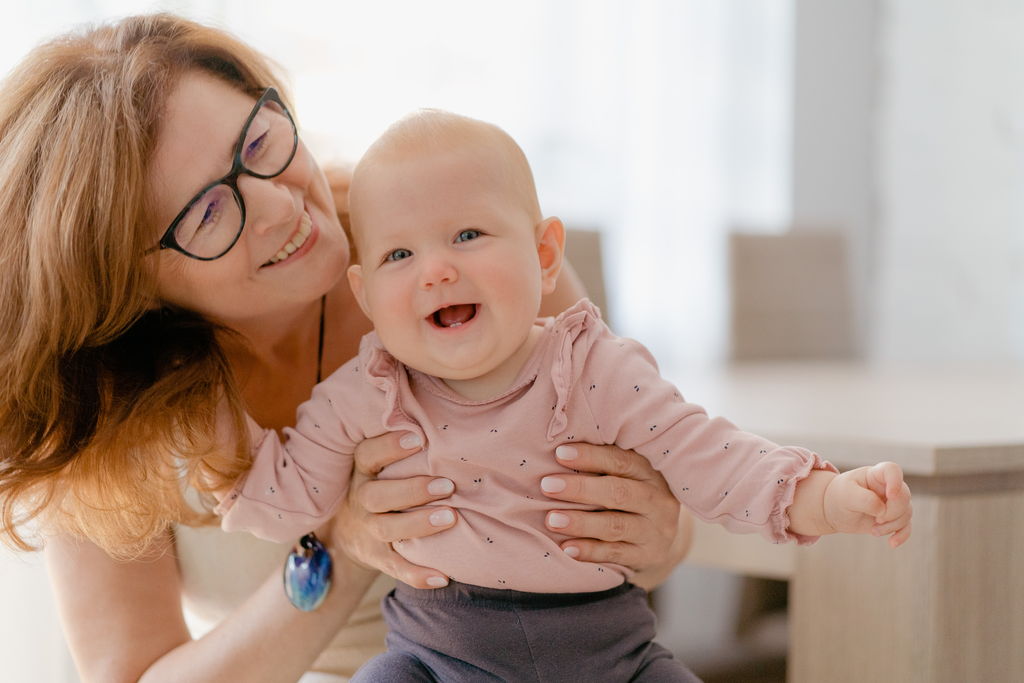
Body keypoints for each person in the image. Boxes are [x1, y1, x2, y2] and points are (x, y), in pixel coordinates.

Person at [0, 14, 695, 682]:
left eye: (260, 142)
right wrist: (345, 546)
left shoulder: (447, 238)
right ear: (127, 285)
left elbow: (662, 531)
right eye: (209, 212)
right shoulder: (97, 415)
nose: (280, 206)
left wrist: (664, 534)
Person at [217, 109, 913, 681]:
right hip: (436, 658)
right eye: (400, 255)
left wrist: (825, 495)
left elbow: (715, 457)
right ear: (366, 294)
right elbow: (291, 492)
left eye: (467, 234)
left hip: (612, 656)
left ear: (546, 254)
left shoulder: (595, 367)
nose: (435, 269)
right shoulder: (365, 392)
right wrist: (226, 444)